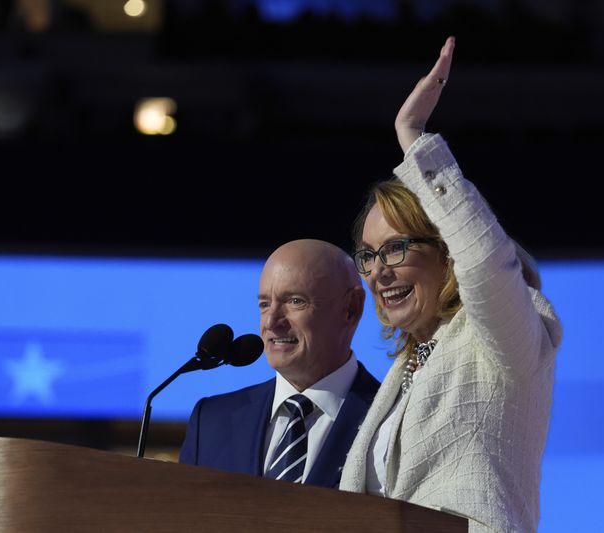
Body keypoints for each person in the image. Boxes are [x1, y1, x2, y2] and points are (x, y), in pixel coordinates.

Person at [338, 37, 563, 532]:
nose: (378, 271)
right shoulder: (406, 367)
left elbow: (485, 261)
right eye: (369, 256)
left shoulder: (502, 341)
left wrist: (413, 138)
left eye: (396, 248)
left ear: (447, 252)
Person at [179, 239, 380, 488]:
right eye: (264, 304)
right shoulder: (210, 422)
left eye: (295, 301)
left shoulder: (391, 416)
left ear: (351, 308)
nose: (271, 321)